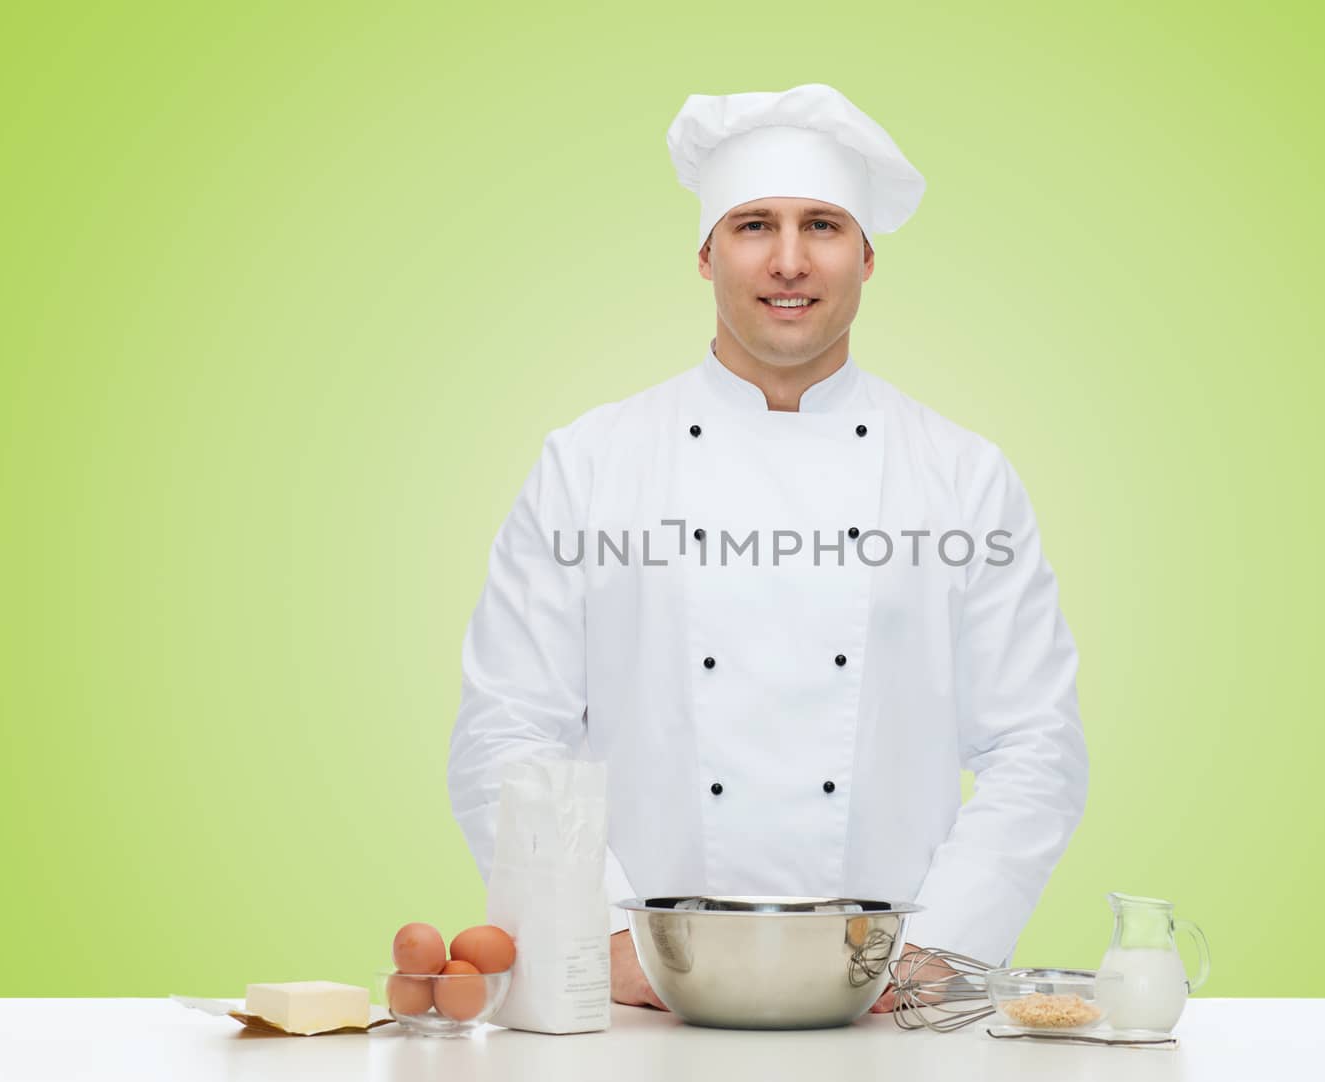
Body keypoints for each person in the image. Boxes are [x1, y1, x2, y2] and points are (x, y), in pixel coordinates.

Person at [447, 83, 1088, 1015]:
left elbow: (1037, 743)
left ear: (867, 256)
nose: (789, 261)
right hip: (640, 1014)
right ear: (706, 255)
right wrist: (608, 941)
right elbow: (506, 730)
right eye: (754, 225)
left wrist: (937, 951)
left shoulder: (962, 476)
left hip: (890, 1018)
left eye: (822, 225)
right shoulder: (588, 464)